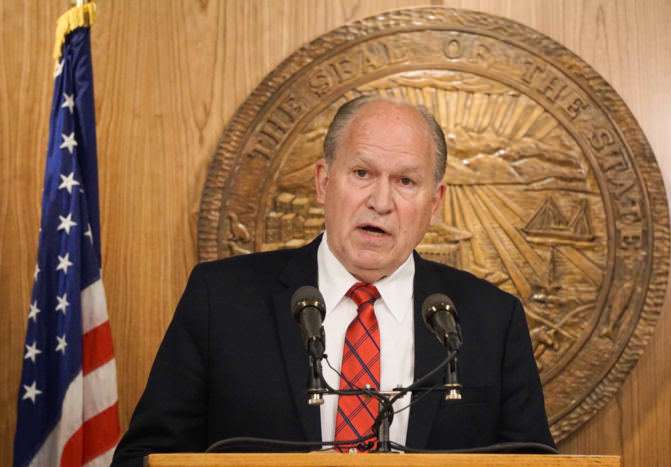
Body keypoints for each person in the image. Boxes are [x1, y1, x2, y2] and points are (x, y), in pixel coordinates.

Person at [111, 97, 554, 465]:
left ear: (434, 203)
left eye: (405, 181)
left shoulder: (493, 319)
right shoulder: (221, 299)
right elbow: (145, 458)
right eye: (362, 174)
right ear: (324, 183)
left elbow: (531, 461)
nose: (380, 201)